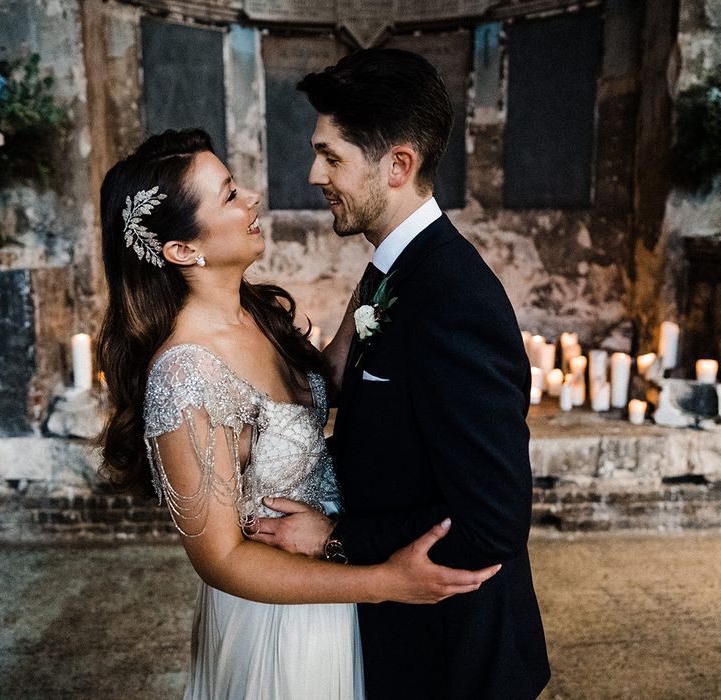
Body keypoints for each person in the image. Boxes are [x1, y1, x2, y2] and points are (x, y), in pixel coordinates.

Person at [95, 128, 501, 699]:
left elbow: (329, 378)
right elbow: (222, 561)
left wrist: (392, 264)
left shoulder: (260, 314)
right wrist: (385, 581)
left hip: (340, 589)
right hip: (281, 620)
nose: (252, 199)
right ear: (182, 251)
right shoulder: (184, 375)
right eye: (230, 194)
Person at [249, 49, 551, 698]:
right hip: (401, 637)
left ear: (399, 165)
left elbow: (492, 523)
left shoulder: (452, 298)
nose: (313, 173)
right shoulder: (390, 270)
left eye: (332, 157)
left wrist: (334, 538)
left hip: (453, 653)